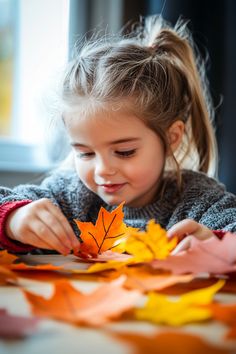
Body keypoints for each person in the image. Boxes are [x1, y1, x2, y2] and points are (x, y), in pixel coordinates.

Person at [1, 15, 236, 256]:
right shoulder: (69, 197)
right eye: (85, 153)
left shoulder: (198, 200)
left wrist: (218, 243)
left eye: (125, 152)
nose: (102, 170)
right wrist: (12, 219)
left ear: (171, 138)